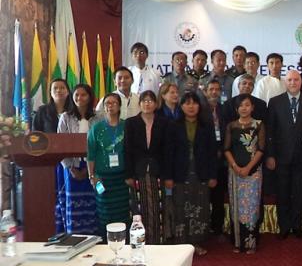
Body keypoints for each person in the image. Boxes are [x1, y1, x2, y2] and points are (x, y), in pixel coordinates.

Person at [266, 70, 302, 239]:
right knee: (282, 193)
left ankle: (296, 225)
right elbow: (270, 131)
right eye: (290, 80)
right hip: (280, 157)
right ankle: (284, 226)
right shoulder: (275, 102)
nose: (293, 83)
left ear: (301, 82)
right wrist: (270, 155)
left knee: (299, 192)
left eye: (296, 80)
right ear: (285, 82)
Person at [170, 92, 218, 255]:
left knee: (200, 208)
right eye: (187, 103)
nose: (191, 106)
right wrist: (169, 176)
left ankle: (196, 243)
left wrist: (213, 175)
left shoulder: (206, 125)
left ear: (199, 106)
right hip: (180, 173)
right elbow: (168, 153)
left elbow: (213, 152)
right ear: (181, 106)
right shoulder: (173, 125)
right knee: (180, 208)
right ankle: (182, 244)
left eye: (194, 103)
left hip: (201, 172)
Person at [124, 91, 173, 244]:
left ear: (156, 104)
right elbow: (127, 149)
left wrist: (168, 174)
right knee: (139, 208)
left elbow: (168, 150)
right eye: (144, 101)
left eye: (151, 101)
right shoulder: (131, 123)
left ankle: (158, 242)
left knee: (159, 208)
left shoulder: (164, 122)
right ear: (139, 104)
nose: (147, 103)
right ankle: (139, 243)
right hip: (137, 172)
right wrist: (128, 174)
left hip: (157, 171)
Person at [224, 94, 266, 253]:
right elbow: (227, 149)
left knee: (251, 207)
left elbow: (261, 149)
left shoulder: (259, 125)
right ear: (236, 109)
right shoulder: (231, 126)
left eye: (247, 105)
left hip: (253, 172)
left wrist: (248, 167)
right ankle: (237, 242)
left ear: (252, 107)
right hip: (234, 173)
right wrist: (235, 166)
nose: (244, 108)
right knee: (237, 207)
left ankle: (251, 243)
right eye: (241, 106)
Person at [57, 84, 99, 234]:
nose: (79, 98)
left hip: (94, 167)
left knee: (96, 199)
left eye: (83, 95)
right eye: (76, 95)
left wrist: (91, 171)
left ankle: (95, 236)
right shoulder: (65, 117)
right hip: (72, 166)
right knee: (74, 203)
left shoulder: (97, 117)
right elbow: (60, 145)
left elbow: (101, 145)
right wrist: (71, 168)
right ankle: (74, 236)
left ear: (90, 97)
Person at [87, 93, 130, 238]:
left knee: (123, 212)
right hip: (102, 178)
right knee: (104, 211)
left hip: (122, 179)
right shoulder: (96, 128)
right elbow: (91, 154)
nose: (110, 106)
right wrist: (91, 176)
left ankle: (124, 243)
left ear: (119, 106)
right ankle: (106, 243)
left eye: (114, 103)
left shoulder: (126, 126)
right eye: (107, 103)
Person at [32, 78, 71, 227]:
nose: (59, 91)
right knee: (52, 194)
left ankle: (67, 223)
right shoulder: (43, 111)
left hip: (69, 159)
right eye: (55, 88)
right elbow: (35, 136)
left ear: (68, 91)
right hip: (49, 161)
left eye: (62, 88)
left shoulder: (72, 110)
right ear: (50, 92)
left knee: (67, 194)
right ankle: (53, 226)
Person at [201, 79, 228, 235]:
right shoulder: (200, 110)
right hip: (205, 159)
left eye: (217, 89)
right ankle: (203, 226)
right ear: (206, 91)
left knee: (218, 195)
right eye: (211, 89)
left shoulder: (225, 109)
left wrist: (222, 149)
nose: (214, 92)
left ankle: (217, 227)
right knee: (204, 195)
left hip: (222, 158)